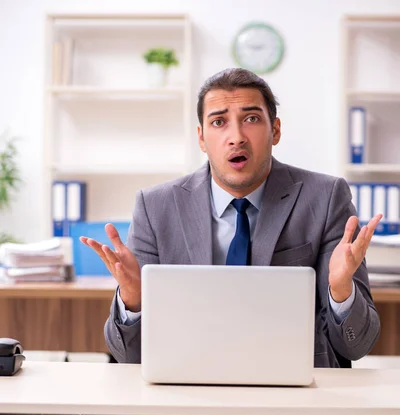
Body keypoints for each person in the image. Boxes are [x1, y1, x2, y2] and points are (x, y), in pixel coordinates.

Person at [80, 68, 381, 368]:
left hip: (294, 389)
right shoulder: (156, 207)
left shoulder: (326, 197)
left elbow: (356, 346)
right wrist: (133, 301)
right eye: (218, 122)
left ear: (275, 130)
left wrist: (342, 292)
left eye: (251, 119)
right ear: (201, 137)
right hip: (189, 383)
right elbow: (128, 355)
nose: (236, 137)